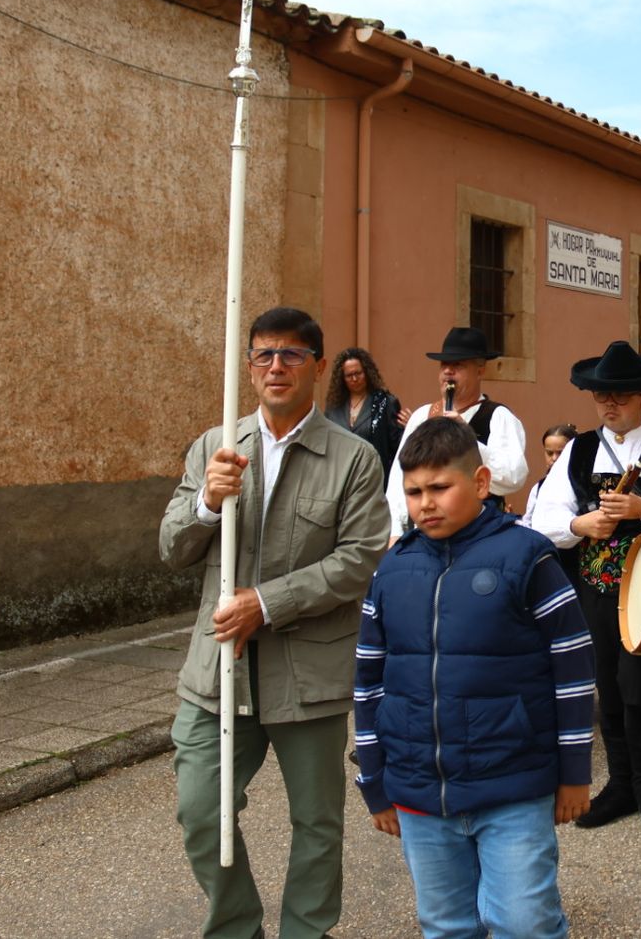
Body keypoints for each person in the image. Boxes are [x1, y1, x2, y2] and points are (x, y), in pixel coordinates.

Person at [159, 306, 390, 939]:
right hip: (218, 672)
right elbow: (171, 547)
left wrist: (267, 602)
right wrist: (207, 501)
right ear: (249, 365)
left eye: (291, 355)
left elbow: (358, 561)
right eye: (263, 354)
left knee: (316, 823)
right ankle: (238, 929)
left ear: (319, 367)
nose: (276, 367)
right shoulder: (216, 446)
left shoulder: (354, 459)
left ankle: (304, 933)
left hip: (308, 672)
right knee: (202, 812)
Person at [353, 419, 592, 939]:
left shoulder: (527, 556)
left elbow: (572, 666)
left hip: (512, 782)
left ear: (481, 482)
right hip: (420, 790)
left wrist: (574, 771)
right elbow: (368, 681)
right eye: (414, 492)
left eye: (440, 487)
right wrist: (373, 780)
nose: (425, 504)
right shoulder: (392, 570)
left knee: (524, 922)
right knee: (445, 924)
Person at [531, 341, 641, 838]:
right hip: (593, 585)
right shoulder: (579, 448)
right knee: (606, 686)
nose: (609, 405)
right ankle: (620, 783)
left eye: (621, 396)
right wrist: (582, 522)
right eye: (600, 396)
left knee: (639, 688)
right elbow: (543, 520)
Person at [386, 327, 528, 538]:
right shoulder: (422, 416)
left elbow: (513, 477)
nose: (448, 371)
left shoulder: (498, 416)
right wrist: (395, 533)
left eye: (458, 365)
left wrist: (468, 439)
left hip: (480, 535)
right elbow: (399, 479)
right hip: (426, 536)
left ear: (480, 371)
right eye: (444, 365)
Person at [323, 346, 404, 489]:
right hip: (340, 483)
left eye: (358, 373)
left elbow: (397, 446)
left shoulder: (385, 402)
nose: (354, 379)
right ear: (342, 378)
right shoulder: (333, 408)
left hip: (375, 482)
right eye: (349, 375)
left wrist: (410, 427)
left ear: (367, 372)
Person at [519, 424, 578, 529]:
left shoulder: (581, 485)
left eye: (560, 453)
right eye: (550, 453)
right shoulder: (538, 488)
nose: (554, 458)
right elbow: (528, 523)